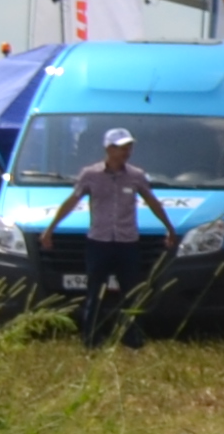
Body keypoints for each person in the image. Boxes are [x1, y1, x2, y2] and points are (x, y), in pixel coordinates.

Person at [65, 127, 177, 343]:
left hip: (127, 242)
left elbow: (152, 202)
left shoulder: (136, 176)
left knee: (131, 292)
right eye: (121, 148)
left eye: (129, 147)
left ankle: (132, 338)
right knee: (96, 291)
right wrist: (51, 229)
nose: (126, 152)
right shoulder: (91, 175)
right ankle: (91, 338)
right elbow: (72, 202)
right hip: (99, 241)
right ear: (109, 149)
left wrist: (169, 228)